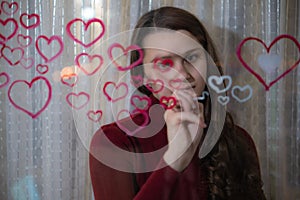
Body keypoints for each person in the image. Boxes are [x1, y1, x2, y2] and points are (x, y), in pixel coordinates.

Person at [89, 6, 266, 200]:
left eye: (191, 57)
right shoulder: (113, 142)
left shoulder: (238, 140)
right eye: (164, 64)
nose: (182, 75)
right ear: (143, 75)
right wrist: (175, 158)